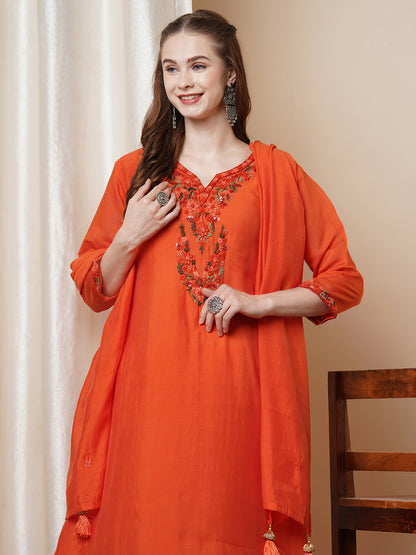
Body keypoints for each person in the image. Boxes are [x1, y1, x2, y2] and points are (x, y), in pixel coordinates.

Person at [55, 9, 363, 555]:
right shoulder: (136, 172)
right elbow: (94, 288)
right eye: (171, 68)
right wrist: (129, 235)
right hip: (147, 397)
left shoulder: (276, 174)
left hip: (242, 399)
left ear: (230, 73)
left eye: (198, 65)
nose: (184, 81)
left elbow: (343, 281)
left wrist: (257, 302)